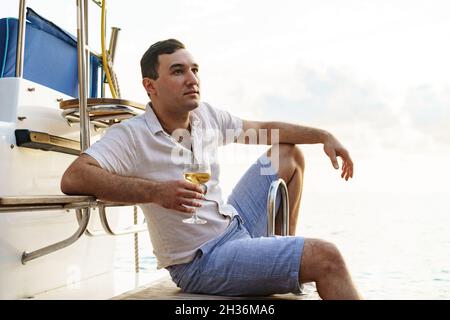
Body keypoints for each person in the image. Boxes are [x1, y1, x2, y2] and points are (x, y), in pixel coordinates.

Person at [61, 39, 362, 300]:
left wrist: (324, 136)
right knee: (327, 257)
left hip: (233, 224)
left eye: (194, 69)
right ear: (150, 86)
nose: (192, 79)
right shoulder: (131, 135)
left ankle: (281, 252)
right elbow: (75, 175)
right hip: (201, 262)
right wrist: (154, 192)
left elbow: (263, 129)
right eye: (178, 71)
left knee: (288, 154)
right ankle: (286, 260)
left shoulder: (205, 116)